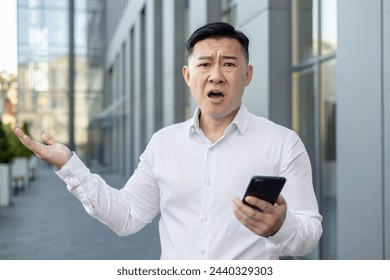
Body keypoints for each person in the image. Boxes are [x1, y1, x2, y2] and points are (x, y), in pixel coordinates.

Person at [13, 22, 322, 259]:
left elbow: (309, 232)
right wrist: (70, 166)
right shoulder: (164, 143)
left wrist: (280, 226)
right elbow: (128, 216)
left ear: (247, 74)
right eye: (205, 64)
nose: (216, 75)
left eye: (229, 63)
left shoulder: (282, 143)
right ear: (188, 76)